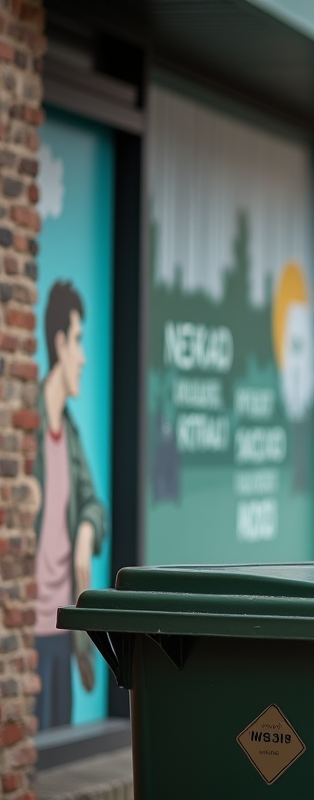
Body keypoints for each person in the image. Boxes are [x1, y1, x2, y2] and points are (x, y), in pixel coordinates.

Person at [33, 281, 107, 729]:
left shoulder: (72, 437)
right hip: (26, 637)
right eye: (78, 341)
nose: (83, 357)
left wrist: (85, 533)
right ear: (59, 343)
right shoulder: (28, 428)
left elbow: (96, 504)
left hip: (63, 635)